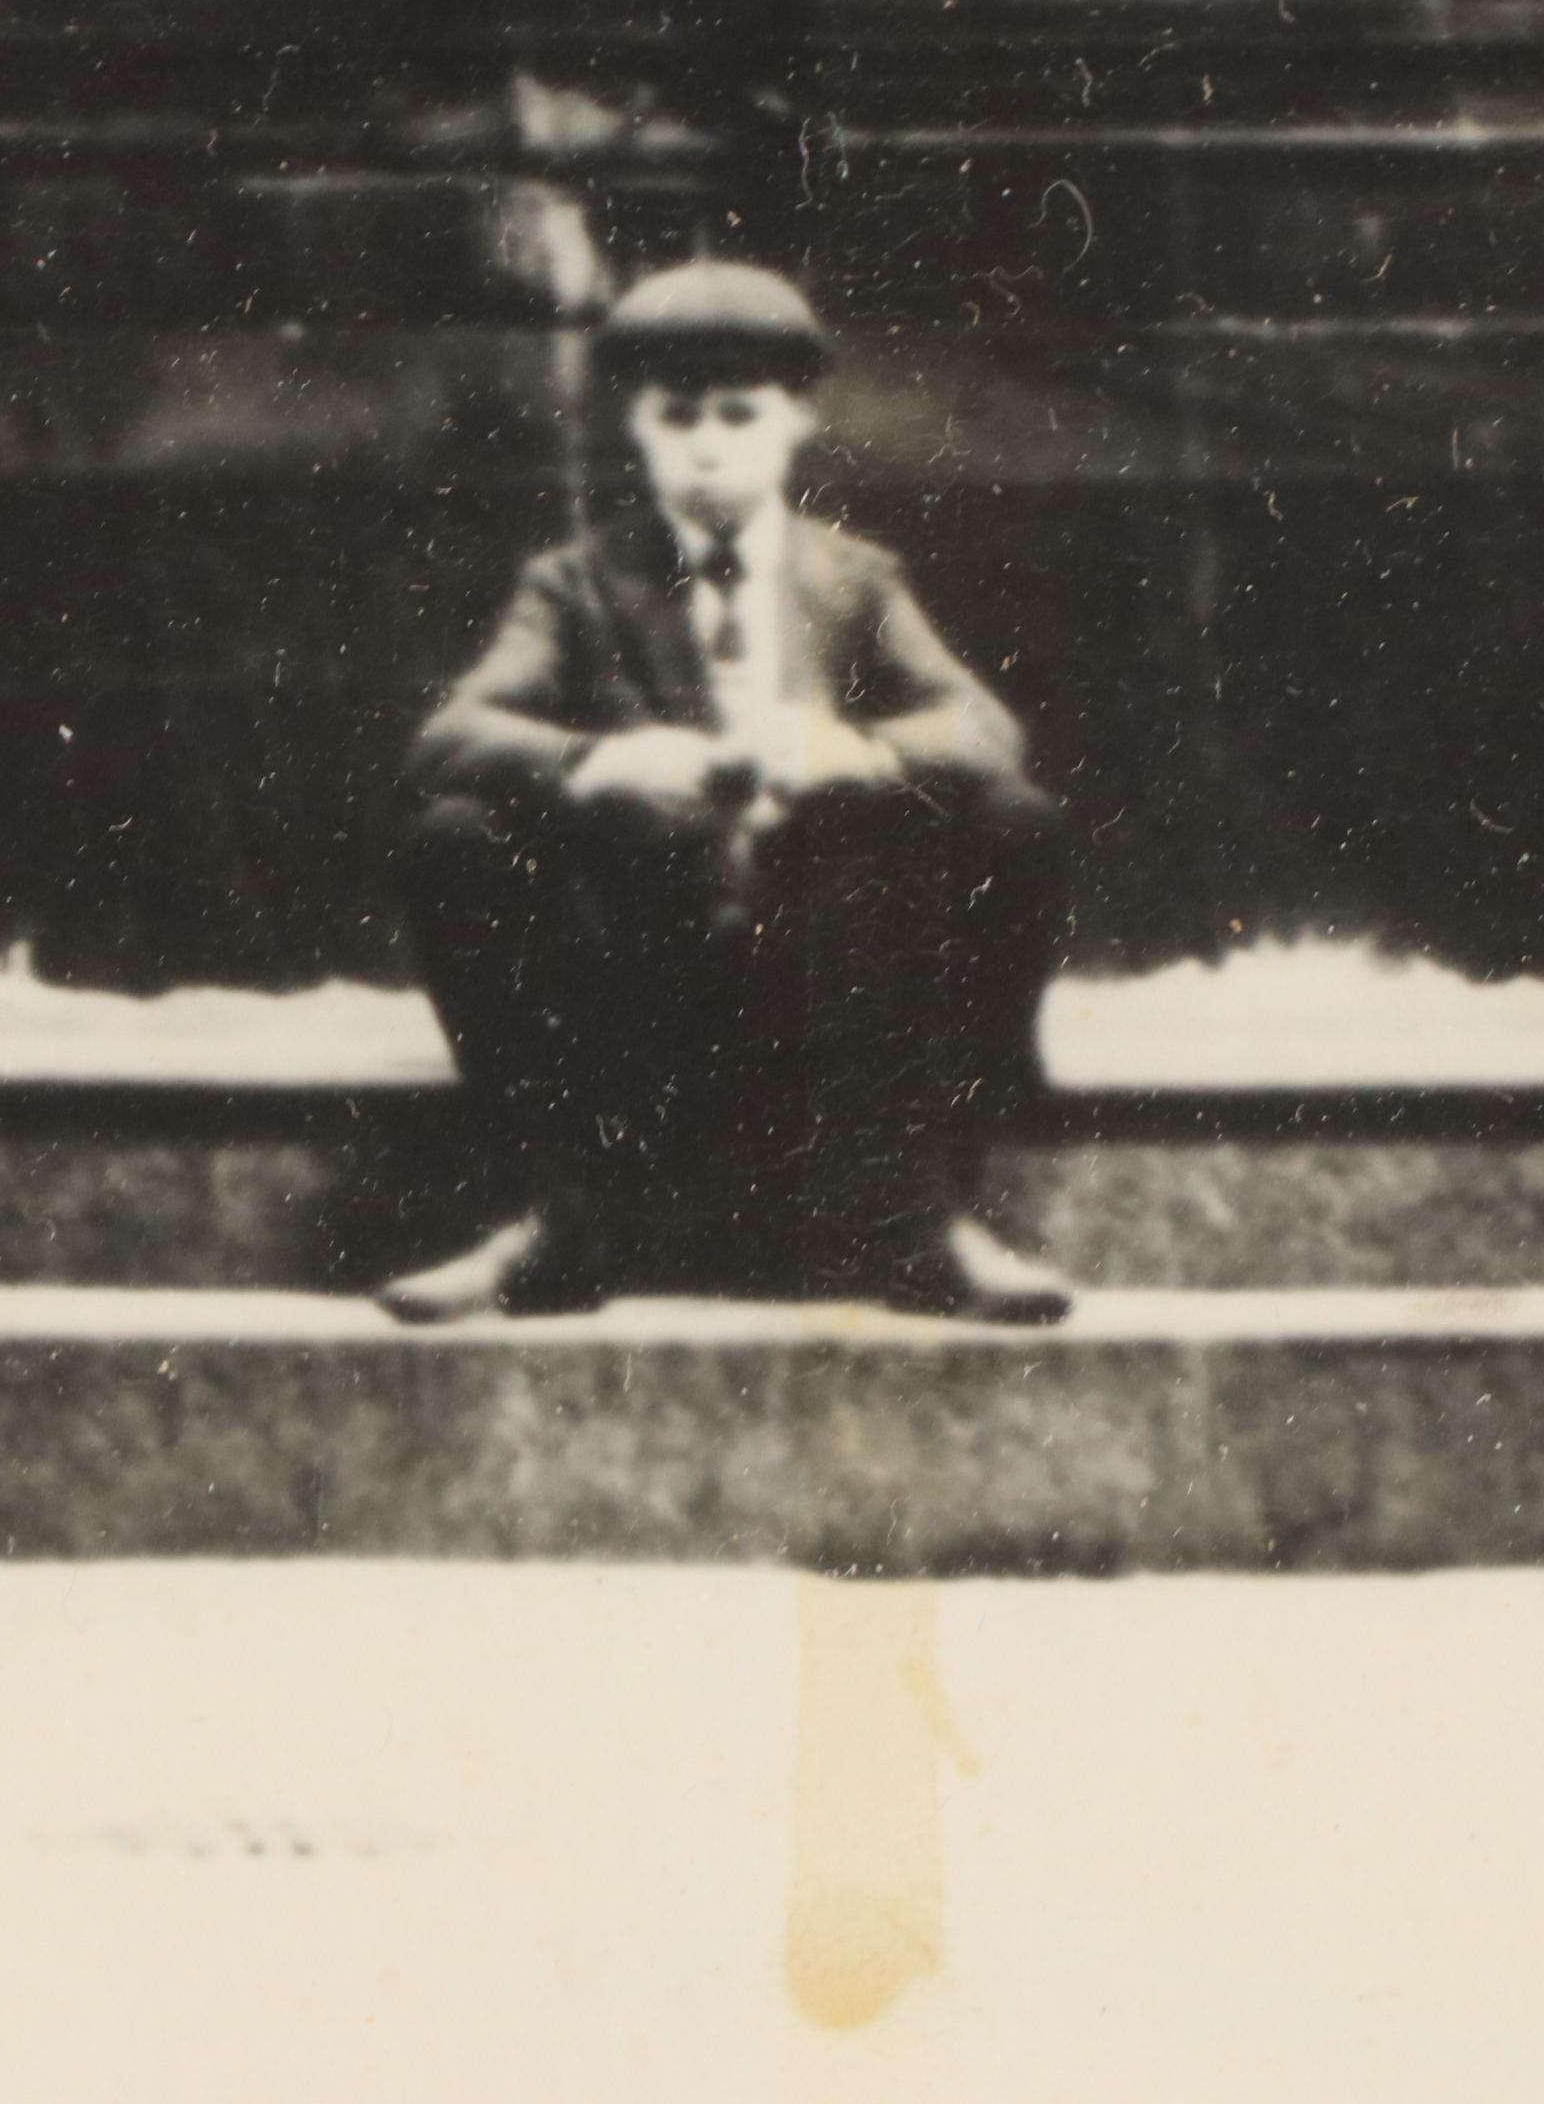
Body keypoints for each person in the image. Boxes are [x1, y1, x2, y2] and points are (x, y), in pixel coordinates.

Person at [379, 258, 1076, 1324]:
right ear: (637, 425)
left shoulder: (854, 580)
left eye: (740, 413)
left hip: (828, 965)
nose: (707, 443)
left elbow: (986, 730)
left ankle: (922, 1218)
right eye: (678, 413)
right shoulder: (574, 583)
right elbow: (449, 737)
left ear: (795, 420)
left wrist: (857, 752)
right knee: (454, 837)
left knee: (1012, 825)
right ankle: (556, 1218)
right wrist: (597, 763)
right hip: (637, 969)